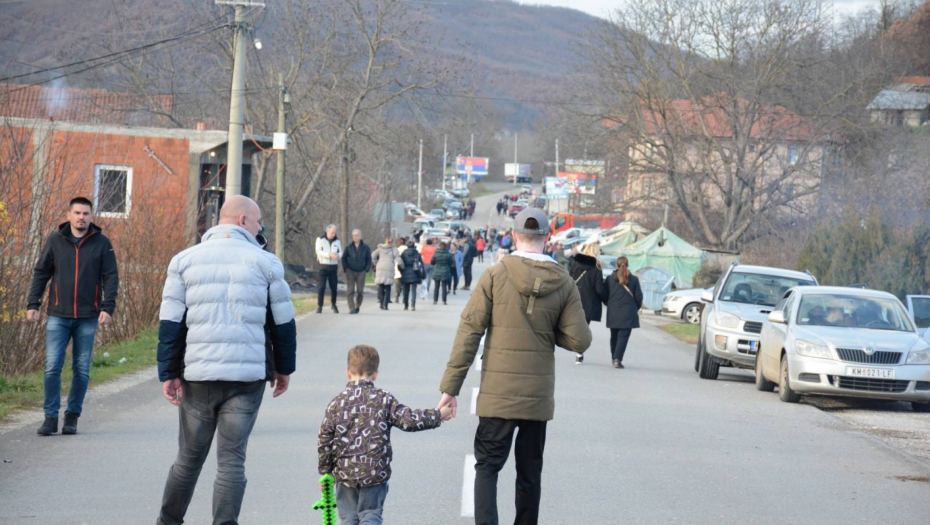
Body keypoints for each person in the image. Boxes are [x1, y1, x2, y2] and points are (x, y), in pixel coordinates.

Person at [437, 208, 592, 525]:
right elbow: (580, 341)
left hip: (498, 396)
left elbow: (469, 332)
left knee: (488, 468)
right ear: (547, 238)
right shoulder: (563, 282)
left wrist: (450, 389)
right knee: (529, 474)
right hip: (536, 399)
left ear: (515, 236)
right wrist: (549, 332)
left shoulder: (495, 275)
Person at [155, 195, 297, 525]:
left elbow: (172, 324)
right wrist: (283, 369)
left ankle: (167, 522)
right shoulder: (267, 263)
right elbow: (283, 323)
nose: (261, 226)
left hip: (198, 375)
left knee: (188, 459)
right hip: (245, 379)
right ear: (243, 221)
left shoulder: (183, 261)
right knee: (232, 460)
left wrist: (169, 373)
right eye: (258, 220)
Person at [318, 345, 451, 525]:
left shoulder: (336, 403)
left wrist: (326, 472)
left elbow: (324, 440)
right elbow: (409, 420)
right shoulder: (384, 399)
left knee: (348, 517)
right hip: (374, 473)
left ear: (348, 373)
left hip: (345, 473)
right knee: (371, 513)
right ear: (376, 374)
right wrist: (438, 414)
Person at [27, 196, 119, 436]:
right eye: (77, 213)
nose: (81, 218)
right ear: (69, 215)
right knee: (52, 367)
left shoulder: (101, 243)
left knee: (81, 369)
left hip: (88, 317)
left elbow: (111, 277)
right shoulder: (56, 241)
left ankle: (72, 417)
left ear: (91, 216)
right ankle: (50, 417)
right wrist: (33, 303)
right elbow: (41, 272)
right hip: (58, 315)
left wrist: (108, 308)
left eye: (86, 213)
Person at [568, 244, 607, 365]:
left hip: (575, 299)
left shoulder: (575, 263)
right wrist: (607, 299)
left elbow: (569, 279)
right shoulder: (596, 267)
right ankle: (579, 353)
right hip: (589, 302)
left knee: (576, 325)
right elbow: (599, 288)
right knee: (584, 327)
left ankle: (577, 348)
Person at [603, 256, 643, 369]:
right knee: (623, 337)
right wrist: (636, 307)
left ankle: (614, 357)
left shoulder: (610, 279)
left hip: (613, 311)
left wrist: (609, 304)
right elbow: (639, 296)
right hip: (628, 312)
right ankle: (617, 359)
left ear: (616, 265)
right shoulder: (634, 279)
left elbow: (604, 294)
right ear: (628, 265)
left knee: (614, 336)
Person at [341, 229, 372, 315]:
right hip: (350, 270)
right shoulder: (349, 247)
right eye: (354, 235)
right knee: (350, 290)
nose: (355, 237)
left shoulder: (366, 247)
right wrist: (345, 268)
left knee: (360, 290)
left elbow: (369, 259)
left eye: (357, 235)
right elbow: (344, 258)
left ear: (360, 236)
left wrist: (367, 268)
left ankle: (357, 305)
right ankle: (351, 308)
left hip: (361, 271)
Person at [315, 224, 343, 314]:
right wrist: (329, 255)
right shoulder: (320, 239)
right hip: (323, 266)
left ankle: (333, 304)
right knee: (321, 287)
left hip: (333, 266)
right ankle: (320, 306)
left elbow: (341, 251)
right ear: (327, 232)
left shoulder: (337, 241)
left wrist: (338, 255)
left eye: (334, 233)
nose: (333, 235)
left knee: (334, 287)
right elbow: (318, 251)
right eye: (331, 233)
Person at [372, 237, 401, 311]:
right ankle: (385, 305)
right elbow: (398, 258)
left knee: (381, 286)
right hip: (389, 267)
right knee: (388, 287)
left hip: (380, 266)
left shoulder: (380, 248)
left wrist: (376, 263)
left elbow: (373, 256)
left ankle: (381, 303)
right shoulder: (393, 249)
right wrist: (402, 266)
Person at [400, 240, 424, 311]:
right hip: (415, 273)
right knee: (414, 290)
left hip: (405, 273)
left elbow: (400, 264)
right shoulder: (417, 254)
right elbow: (421, 265)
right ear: (414, 246)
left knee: (405, 290)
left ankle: (406, 305)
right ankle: (413, 305)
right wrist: (422, 275)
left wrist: (401, 272)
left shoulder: (403, 254)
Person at [430, 241, 455, 305]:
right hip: (445, 271)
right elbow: (451, 263)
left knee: (436, 287)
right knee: (444, 287)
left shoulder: (436, 253)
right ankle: (444, 301)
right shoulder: (448, 254)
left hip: (437, 270)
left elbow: (432, 262)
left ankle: (435, 300)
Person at [393, 238, 407, 304]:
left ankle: (397, 297)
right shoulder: (407, 249)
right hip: (406, 270)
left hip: (397, 270)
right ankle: (405, 298)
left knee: (397, 285)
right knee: (405, 285)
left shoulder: (396, 250)